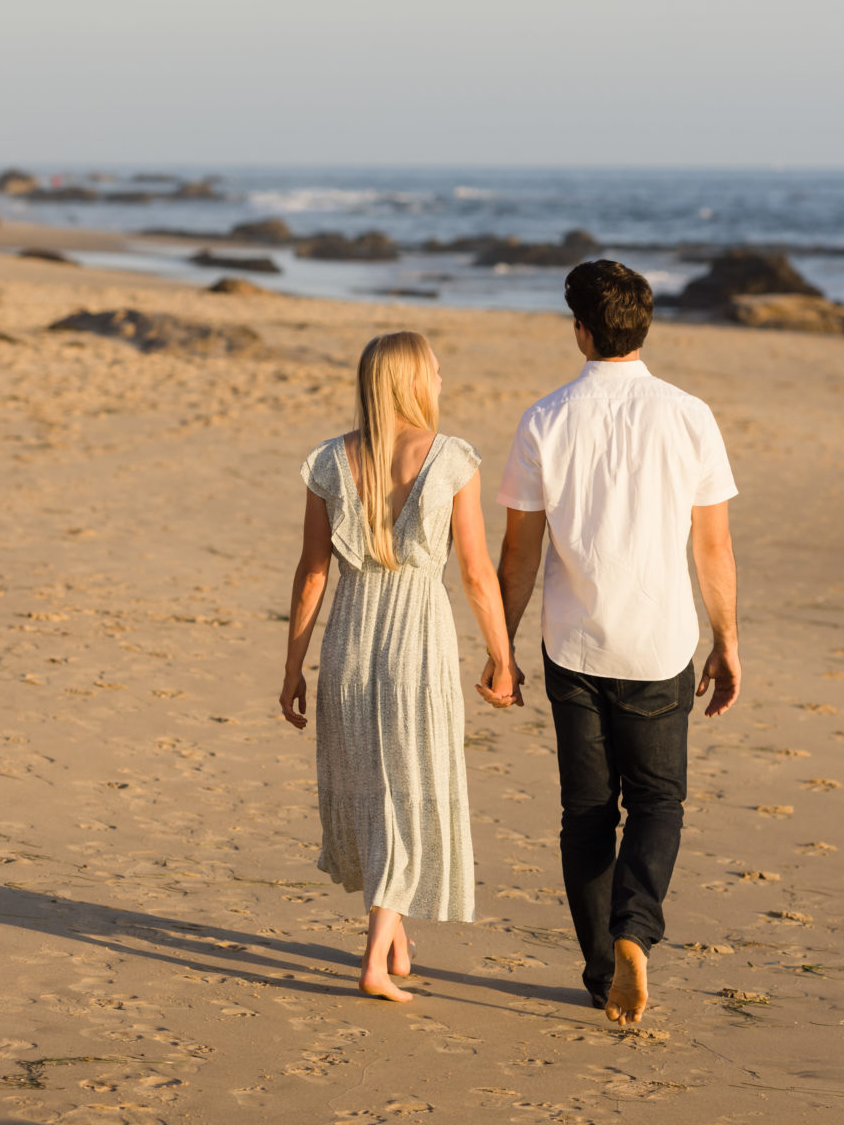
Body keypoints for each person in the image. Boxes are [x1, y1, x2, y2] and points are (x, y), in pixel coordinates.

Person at [486, 260, 740, 1027]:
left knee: (587, 813)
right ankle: (636, 930)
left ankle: (602, 973)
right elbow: (713, 548)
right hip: (659, 643)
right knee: (659, 801)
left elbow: (519, 555)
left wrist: (500, 650)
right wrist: (727, 641)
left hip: (573, 648)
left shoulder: (545, 419)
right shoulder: (688, 414)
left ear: (581, 331)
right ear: (642, 327)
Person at [280, 330, 517, 1003]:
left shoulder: (330, 461)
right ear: (412, 380)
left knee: (374, 787)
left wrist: (293, 665)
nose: (442, 381)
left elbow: (310, 576)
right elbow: (475, 573)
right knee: (409, 790)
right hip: (418, 640)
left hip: (349, 641)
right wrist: (502, 658)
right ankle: (374, 963)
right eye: (435, 371)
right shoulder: (449, 459)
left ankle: (397, 941)